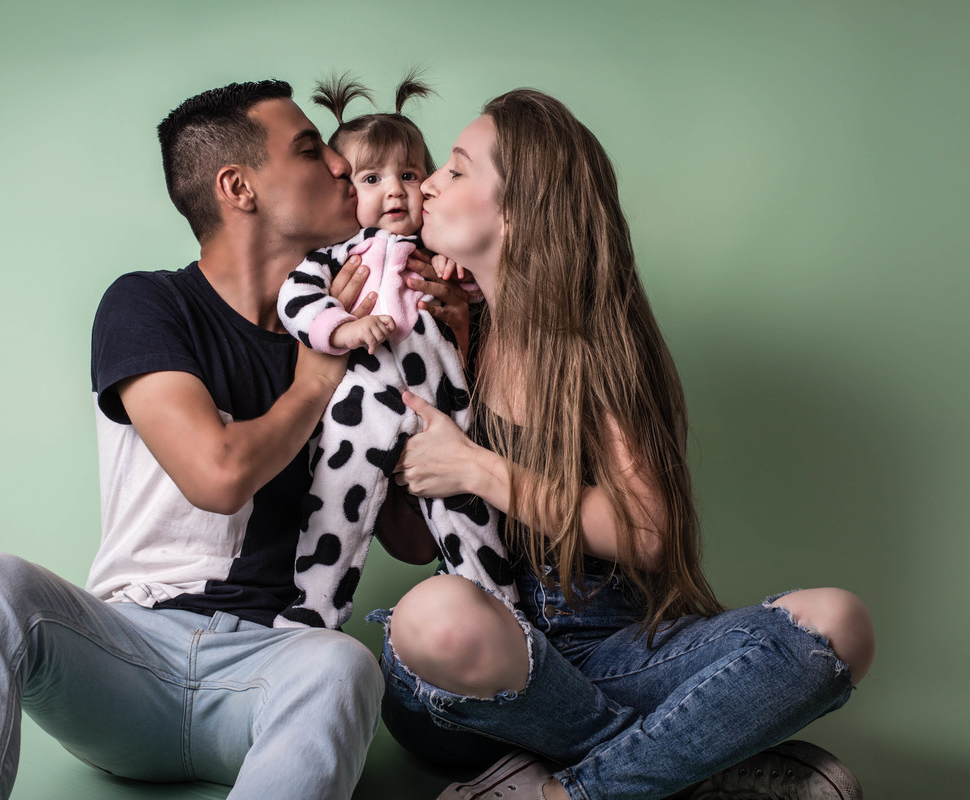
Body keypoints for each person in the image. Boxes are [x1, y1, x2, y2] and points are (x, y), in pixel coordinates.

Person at [0, 79, 444, 800]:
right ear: (238, 187)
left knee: (345, 665)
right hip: (126, 656)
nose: (342, 165)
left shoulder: (360, 332)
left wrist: (442, 350)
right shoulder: (149, 303)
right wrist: (314, 382)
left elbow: (413, 542)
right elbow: (216, 475)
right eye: (311, 150)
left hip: (276, 664)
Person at [376, 89, 877, 800]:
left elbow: (646, 533)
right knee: (432, 615)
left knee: (840, 624)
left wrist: (478, 468)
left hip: (615, 657)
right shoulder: (436, 332)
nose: (427, 183)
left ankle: (562, 790)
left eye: (456, 170)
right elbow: (410, 546)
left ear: (519, 211)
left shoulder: (594, 349)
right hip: (474, 678)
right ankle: (684, 766)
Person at [275, 74, 514, 630]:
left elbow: (485, 292)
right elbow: (296, 299)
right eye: (372, 178)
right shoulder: (338, 255)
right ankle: (313, 611)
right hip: (362, 404)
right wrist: (341, 330)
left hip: (442, 403)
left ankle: (503, 611)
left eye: (409, 174)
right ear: (345, 190)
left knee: (468, 510)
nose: (395, 191)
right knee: (337, 502)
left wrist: (458, 275)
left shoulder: (438, 252)